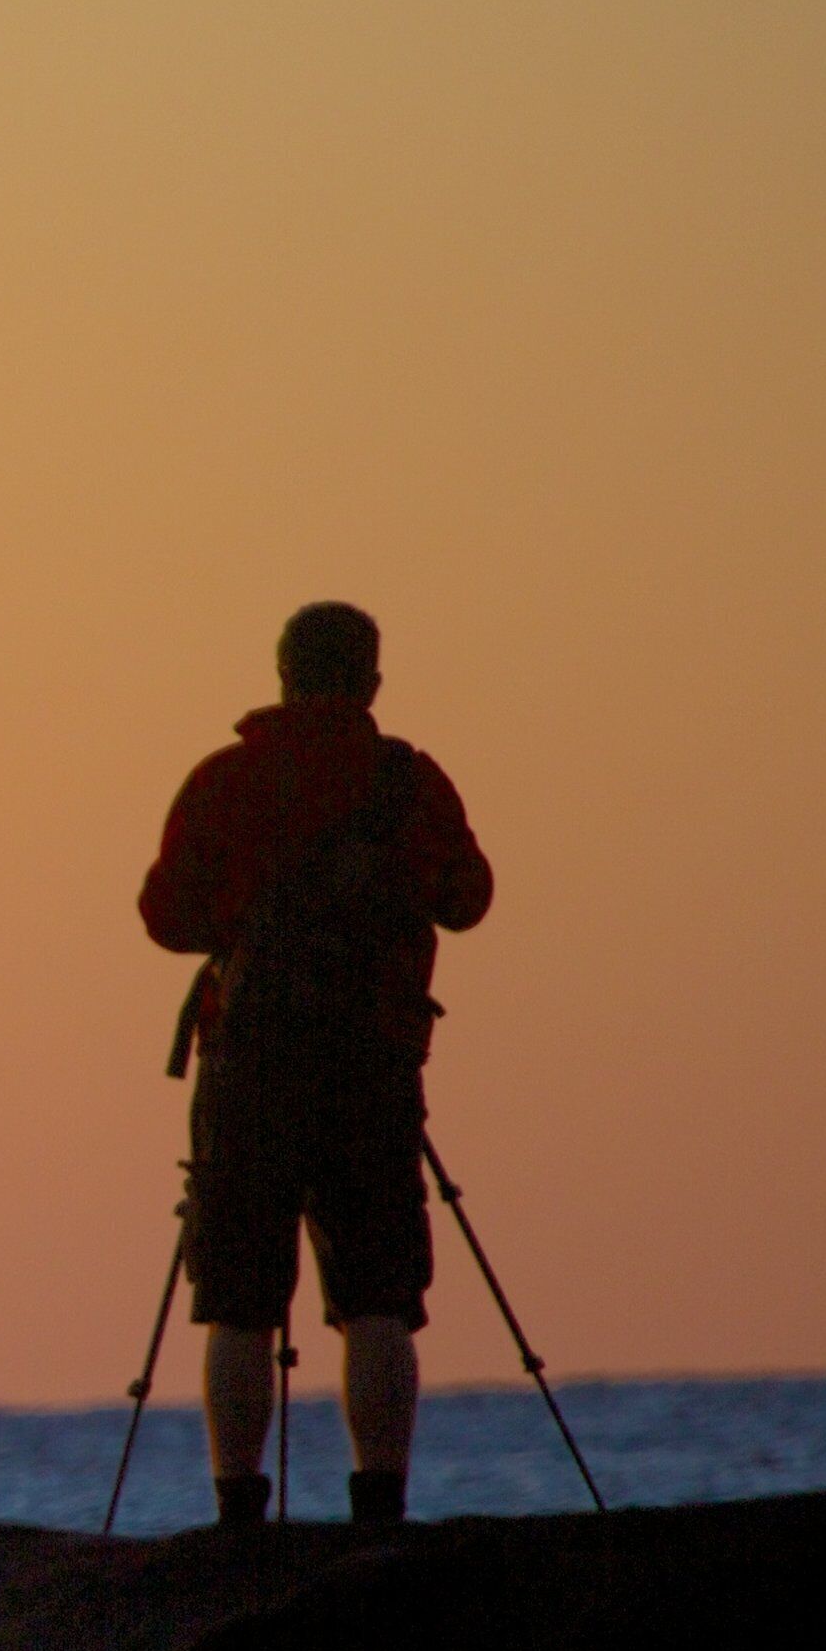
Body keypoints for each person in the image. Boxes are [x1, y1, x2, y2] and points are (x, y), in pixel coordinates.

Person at [140, 602, 493, 1527]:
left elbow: (165, 917)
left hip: (249, 1064)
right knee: (381, 1295)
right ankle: (379, 1507)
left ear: (282, 675)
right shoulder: (406, 785)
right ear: (371, 682)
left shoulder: (227, 780)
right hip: (371, 1064)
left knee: (239, 1298)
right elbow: (468, 899)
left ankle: (237, 1512)